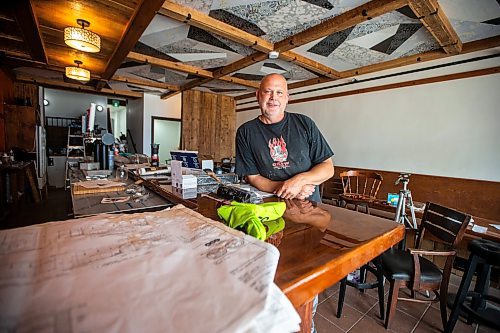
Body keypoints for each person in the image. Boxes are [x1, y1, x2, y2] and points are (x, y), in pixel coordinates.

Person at [235, 73, 334, 202]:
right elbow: (253, 177)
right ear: (258, 96)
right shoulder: (245, 132)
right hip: (270, 205)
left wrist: (299, 181)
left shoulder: (305, 123)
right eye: (268, 91)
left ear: (287, 98)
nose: (273, 97)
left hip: (309, 206)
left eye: (279, 93)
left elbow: (328, 167)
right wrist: (288, 189)